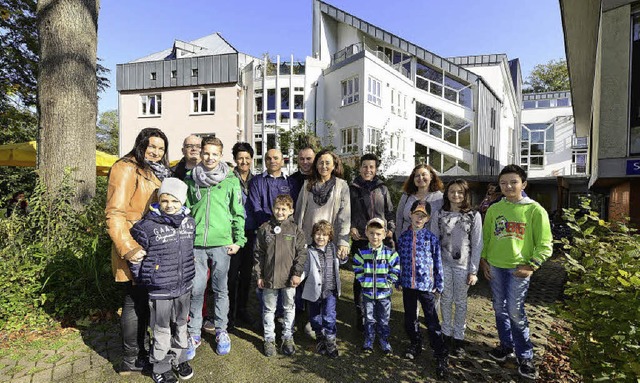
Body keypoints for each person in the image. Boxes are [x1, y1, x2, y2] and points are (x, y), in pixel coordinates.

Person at [105, 127, 171, 375]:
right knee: (134, 302)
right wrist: (128, 247)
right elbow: (115, 213)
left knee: (144, 302)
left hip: (153, 245)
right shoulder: (126, 168)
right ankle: (131, 358)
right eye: (152, 146)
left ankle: (141, 351)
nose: (155, 152)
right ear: (141, 144)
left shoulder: (156, 171)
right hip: (135, 245)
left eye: (161, 148)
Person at [480, 164, 553, 381]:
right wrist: (483, 261)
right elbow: (486, 237)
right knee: (499, 309)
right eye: (503, 183)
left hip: (518, 270)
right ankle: (506, 347)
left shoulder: (534, 210)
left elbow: (546, 244)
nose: (508, 186)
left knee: (515, 311)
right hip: (495, 266)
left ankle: (526, 356)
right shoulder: (494, 209)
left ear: (524, 184)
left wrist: (532, 265)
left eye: (513, 182)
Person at [129, 178, 196, 383]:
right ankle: (160, 365)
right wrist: (142, 277)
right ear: (159, 200)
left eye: (175, 201)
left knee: (182, 325)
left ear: (182, 202)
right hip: (160, 289)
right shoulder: (146, 226)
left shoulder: (189, 222)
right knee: (161, 329)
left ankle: (179, 358)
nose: (170, 206)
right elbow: (135, 256)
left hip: (184, 286)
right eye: (165, 200)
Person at [185, 136, 246, 358]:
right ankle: (194, 333)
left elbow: (238, 212)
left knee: (221, 289)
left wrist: (239, 241)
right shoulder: (190, 179)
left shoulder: (230, 180)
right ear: (201, 154)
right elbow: (186, 212)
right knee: (197, 289)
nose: (210, 157)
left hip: (222, 244)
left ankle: (221, 330)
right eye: (206, 153)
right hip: (196, 245)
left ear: (221, 156)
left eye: (215, 154)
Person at [396, 201, 448, 378]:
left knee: (432, 321)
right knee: (410, 318)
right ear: (410, 214)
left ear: (428, 218)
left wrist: (439, 283)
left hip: (426, 286)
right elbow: (399, 261)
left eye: (423, 215)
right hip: (408, 285)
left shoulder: (431, 238)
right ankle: (415, 343)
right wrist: (398, 279)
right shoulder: (403, 238)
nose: (419, 218)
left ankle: (440, 353)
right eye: (416, 214)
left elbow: (438, 263)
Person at [432, 179, 482, 357]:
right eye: (452, 191)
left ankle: (459, 338)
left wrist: (473, 270)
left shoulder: (473, 215)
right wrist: (434, 267)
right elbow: (433, 241)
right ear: (447, 193)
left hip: (463, 266)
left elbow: (477, 244)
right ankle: (445, 334)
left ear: (465, 194)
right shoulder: (439, 214)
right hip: (443, 264)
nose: (456, 195)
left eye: (460, 192)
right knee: (445, 299)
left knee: (460, 302)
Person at [253, 194, 307, 357]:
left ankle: (287, 337)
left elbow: (302, 254)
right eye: (277, 208)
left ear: (291, 211)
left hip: (289, 279)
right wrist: (259, 275)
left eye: (284, 209)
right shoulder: (264, 228)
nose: (280, 212)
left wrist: (297, 273)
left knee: (289, 308)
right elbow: (258, 254)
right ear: (272, 208)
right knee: (269, 309)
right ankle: (269, 338)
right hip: (269, 278)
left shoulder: (296, 230)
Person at [349, 153, 395, 331]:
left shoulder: (382, 188)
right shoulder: (352, 187)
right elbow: (347, 212)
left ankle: (378, 315)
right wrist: (352, 227)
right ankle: (361, 315)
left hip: (379, 239)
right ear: (359, 168)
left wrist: (390, 228)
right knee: (361, 278)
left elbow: (389, 211)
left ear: (376, 169)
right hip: (361, 239)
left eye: (371, 167)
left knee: (380, 277)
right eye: (365, 166)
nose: (368, 170)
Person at [353, 218, 400, 355]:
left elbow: (396, 268)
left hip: (384, 295)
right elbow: (357, 266)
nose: (375, 236)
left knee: (384, 319)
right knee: (369, 318)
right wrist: (363, 280)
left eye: (378, 234)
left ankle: (384, 340)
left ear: (384, 235)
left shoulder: (389, 253)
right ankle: (369, 339)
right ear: (366, 233)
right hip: (367, 294)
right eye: (372, 233)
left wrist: (389, 281)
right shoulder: (362, 253)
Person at [302, 220, 348, 358]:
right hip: (313, 291)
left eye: (324, 235)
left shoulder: (333, 248)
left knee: (329, 316)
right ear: (313, 235)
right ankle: (320, 337)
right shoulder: (309, 250)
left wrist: (343, 257)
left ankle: (330, 342)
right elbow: (304, 268)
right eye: (317, 234)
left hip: (330, 290)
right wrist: (297, 278)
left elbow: (341, 261)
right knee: (315, 318)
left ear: (329, 237)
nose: (320, 237)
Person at [294, 149, 350, 258]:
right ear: (316, 165)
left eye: (327, 163)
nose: (324, 166)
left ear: (334, 166)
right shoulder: (307, 185)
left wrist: (343, 241)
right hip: (308, 238)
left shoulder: (341, 186)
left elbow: (345, 216)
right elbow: (299, 212)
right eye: (321, 162)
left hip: (329, 239)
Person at [226, 142, 255, 328]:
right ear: (235, 159)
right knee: (230, 276)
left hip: (251, 232)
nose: (244, 161)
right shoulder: (228, 178)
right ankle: (228, 313)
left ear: (252, 159)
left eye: (247, 158)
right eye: (240, 158)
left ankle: (242, 309)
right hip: (231, 234)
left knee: (246, 274)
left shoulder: (257, 180)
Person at [395, 164, 444, 239]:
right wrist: (398, 239)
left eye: (424, 175)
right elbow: (399, 219)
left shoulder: (440, 197)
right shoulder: (406, 196)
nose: (420, 178)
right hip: (406, 243)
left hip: (429, 244)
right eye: (417, 176)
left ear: (431, 177)